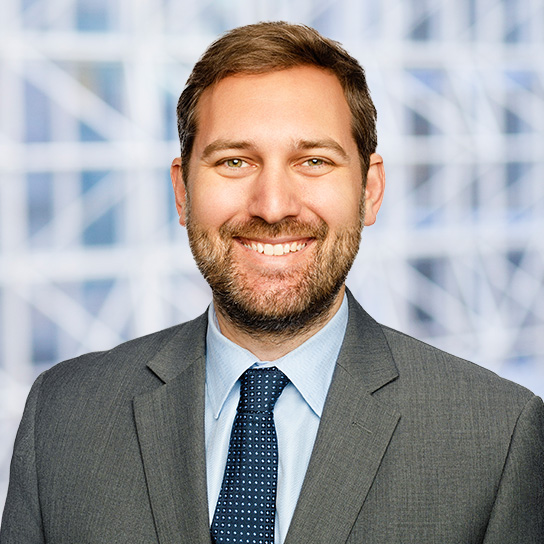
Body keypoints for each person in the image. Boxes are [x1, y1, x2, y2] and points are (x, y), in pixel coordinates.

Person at [1, 21, 543, 544]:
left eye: (314, 161)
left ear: (370, 190)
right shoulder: (62, 415)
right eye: (235, 161)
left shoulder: (498, 436)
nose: (273, 206)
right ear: (183, 192)